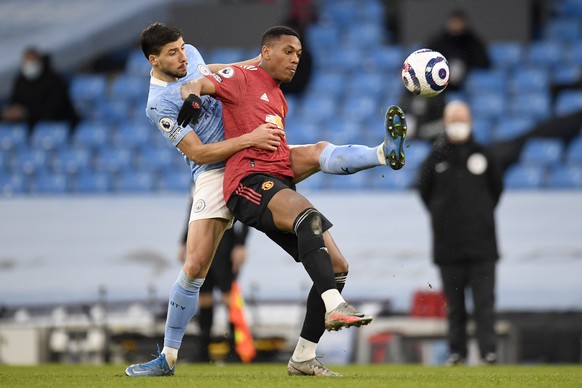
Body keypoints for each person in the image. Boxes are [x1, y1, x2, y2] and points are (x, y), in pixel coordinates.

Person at [125, 23, 407, 377]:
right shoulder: (158, 105)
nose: (183, 56)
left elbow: (219, 73)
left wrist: (260, 62)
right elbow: (197, 152)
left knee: (318, 157)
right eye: (173, 53)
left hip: (258, 155)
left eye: (183, 48)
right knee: (196, 267)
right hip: (216, 170)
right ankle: (166, 357)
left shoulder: (192, 57)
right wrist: (249, 138)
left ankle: (382, 154)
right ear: (154, 59)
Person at [417, 100, 503, 365]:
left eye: (462, 118)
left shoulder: (484, 154)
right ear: (445, 122)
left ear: (471, 121)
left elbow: (496, 190)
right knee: (454, 307)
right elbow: (425, 192)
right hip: (448, 247)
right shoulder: (435, 157)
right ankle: (457, 352)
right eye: (453, 118)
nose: (458, 123)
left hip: (482, 247)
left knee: (484, 305)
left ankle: (488, 352)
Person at [178, 190, 250, 363]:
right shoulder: (200, 180)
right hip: (203, 244)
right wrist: (184, 241)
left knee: (228, 297)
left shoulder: (230, 178)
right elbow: (192, 212)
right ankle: (203, 351)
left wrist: (241, 244)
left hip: (226, 245)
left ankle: (235, 351)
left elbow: (245, 214)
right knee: (204, 297)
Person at [400, 9, 491, 140]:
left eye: (459, 23)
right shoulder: (439, 40)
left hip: (456, 88)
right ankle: (412, 121)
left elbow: (484, 62)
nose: (456, 26)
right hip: (436, 85)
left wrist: (465, 68)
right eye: (453, 22)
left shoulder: (471, 41)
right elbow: (423, 58)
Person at [2, 47, 79, 131]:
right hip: (30, 126)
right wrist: (11, 112)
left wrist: (27, 113)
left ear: (39, 62)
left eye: (32, 63)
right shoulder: (20, 80)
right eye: (27, 63)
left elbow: (55, 108)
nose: (29, 66)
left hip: (56, 124)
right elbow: (15, 102)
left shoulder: (54, 79)